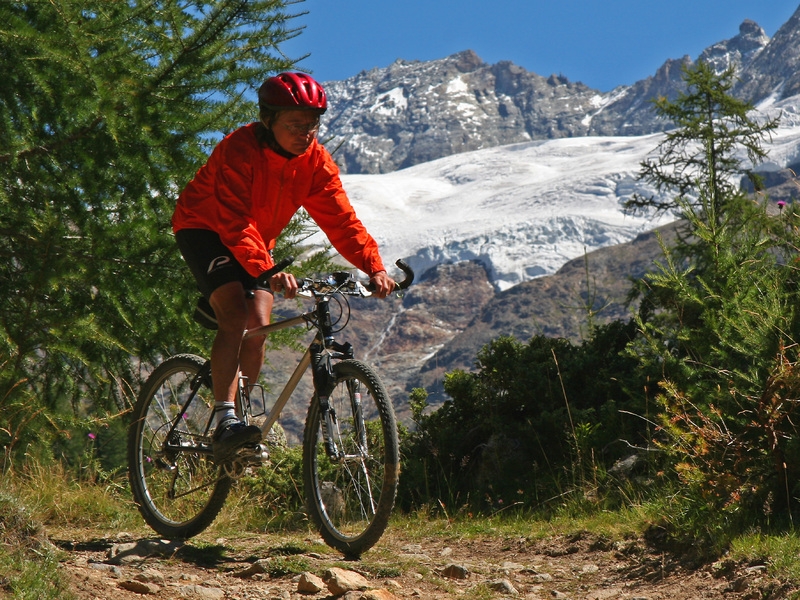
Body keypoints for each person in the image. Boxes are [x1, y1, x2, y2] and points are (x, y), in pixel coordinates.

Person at [172, 72, 395, 462]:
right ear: (267, 119)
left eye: (312, 125)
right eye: (294, 125)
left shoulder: (315, 162)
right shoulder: (239, 149)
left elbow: (341, 220)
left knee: (257, 329)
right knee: (235, 314)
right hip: (205, 226)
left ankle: (237, 428)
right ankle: (225, 418)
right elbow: (234, 221)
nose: (305, 133)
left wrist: (373, 267)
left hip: (255, 240)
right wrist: (267, 268)